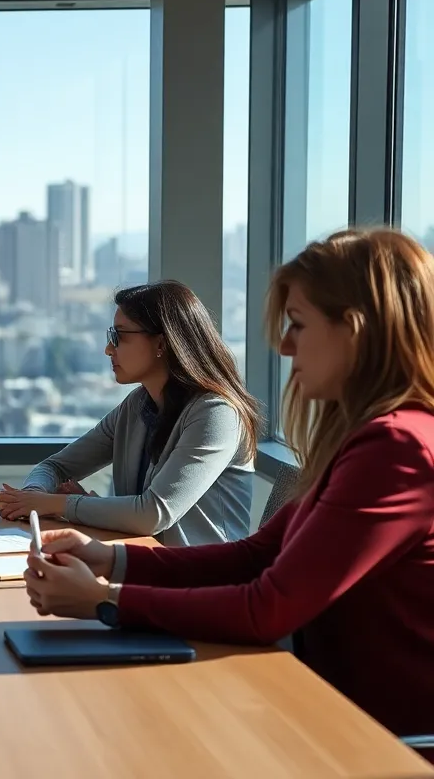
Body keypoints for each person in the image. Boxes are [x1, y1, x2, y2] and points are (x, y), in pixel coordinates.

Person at [23, 229, 434, 744]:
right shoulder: (371, 440)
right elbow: (257, 554)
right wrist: (109, 560)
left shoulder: (396, 450)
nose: (284, 346)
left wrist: (106, 600)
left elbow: (267, 607)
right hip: (334, 715)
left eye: (298, 325)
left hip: (378, 741)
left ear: (353, 332)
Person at [0, 281, 260, 546]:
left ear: (162, 344)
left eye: (119, 336)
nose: (108, 349)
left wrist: (57, 504)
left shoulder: (217, 414)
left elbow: (153, 514)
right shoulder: (137, 406)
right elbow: (55, 467)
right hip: (144, 563)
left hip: (206, 579)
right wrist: (32, 498)